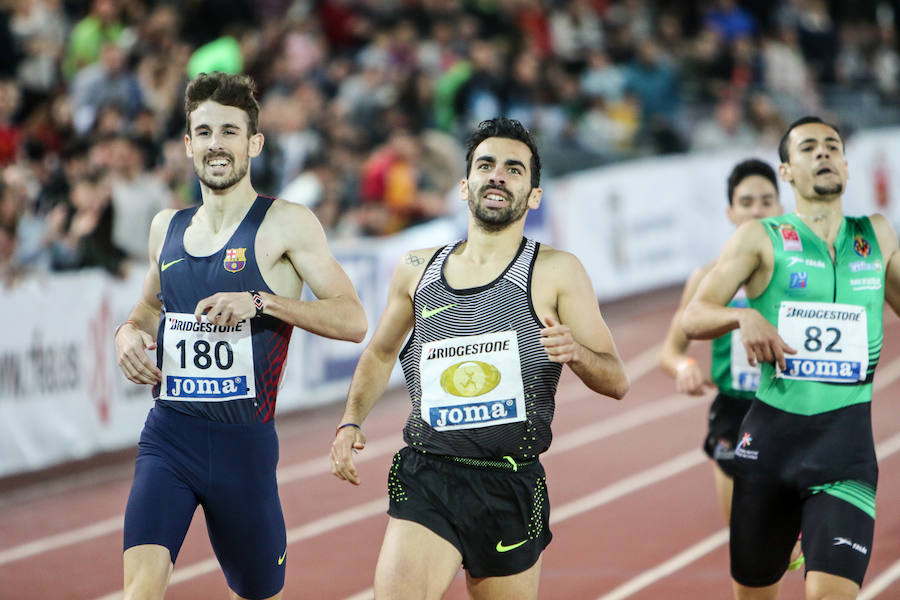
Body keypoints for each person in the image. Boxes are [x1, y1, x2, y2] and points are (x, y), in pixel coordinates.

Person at [330, 117, 629, 599]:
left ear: (533, 194)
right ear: (465, 183)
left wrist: (575, 354)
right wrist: (350, 422)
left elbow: (616, 379)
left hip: (509, 482)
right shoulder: (416, 268)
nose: (498, 176)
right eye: (486, 165)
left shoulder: (557, 272)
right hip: (430, 472)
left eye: (514, 169)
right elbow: (381, 353)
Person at [113, 71, 367, 600]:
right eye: (203, 132)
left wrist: (261, 302)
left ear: (254, 142)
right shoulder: (167, 226)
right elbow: (146, 308)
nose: (216, 144)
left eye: (229, 131)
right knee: (139, 591)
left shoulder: (286, 224)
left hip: (243, 447)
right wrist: (126, 334)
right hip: (169, 436)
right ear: (188, 145)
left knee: (257, 594)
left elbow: (352, 319)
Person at [682, 116, 900, 600]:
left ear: (846, 164)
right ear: (787, 171)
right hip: (770, 446)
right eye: (808, 148)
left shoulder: (877, 234)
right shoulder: (761, 237)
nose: (823, 153)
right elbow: (694, 315)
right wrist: (743, 319)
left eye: (832, 146)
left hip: (846, 447)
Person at [660, 159, 783, 522]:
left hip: (791, 406)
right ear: (731, 212)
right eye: (746, 202)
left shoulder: (800, 276)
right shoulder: (706, 279)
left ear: (780, 208)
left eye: (766, 200)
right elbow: (670, 351)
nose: (757, 210)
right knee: (744, 541)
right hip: (734, 414)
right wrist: (685, 366)